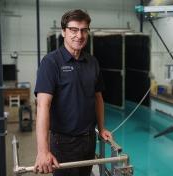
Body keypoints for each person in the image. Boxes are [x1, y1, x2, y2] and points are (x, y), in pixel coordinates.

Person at [33, 9, 112, 176]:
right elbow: (42, 106)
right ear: (63, 32)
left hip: (89, 139)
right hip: (63, 142)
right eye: (73, 30)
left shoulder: (92, 62)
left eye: (84, 30)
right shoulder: (51, 62)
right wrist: (42, 151)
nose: (79, 35)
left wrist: (102, 127)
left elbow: (98, 98)